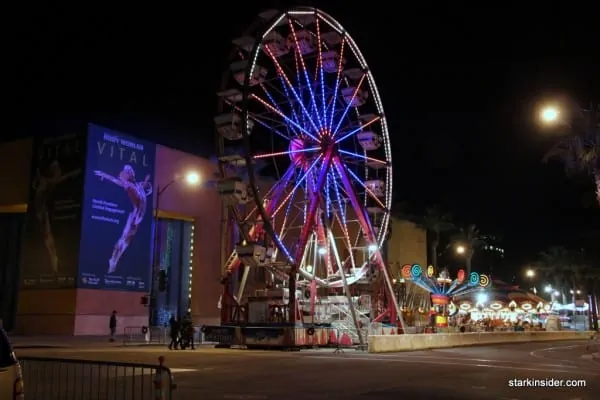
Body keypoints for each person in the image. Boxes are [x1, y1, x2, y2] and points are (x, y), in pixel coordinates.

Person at [94, 165, 152, 274]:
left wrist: (146, 180)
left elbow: (144, 187)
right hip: (135, 217)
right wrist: (102, 174)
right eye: (127, 171)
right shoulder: (128, 185)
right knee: (124, 240)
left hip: (139, 217)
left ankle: (114, 260)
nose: (131, 171)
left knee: (127, 241)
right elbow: (114, 180)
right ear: (127, 175)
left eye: (130, 170)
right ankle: (113, 261)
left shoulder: (138, 185)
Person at [32, 160, 81, 273]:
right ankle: (53, 259)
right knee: (47, 233)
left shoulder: (47, 182)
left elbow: (60, 178)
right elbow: (58, 179)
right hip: (41, 208)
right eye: (55, 168)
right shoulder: (46, 181)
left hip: (43, 208)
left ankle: (54, 259)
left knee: (47, 235)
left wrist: (73, 174)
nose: (57, 170)